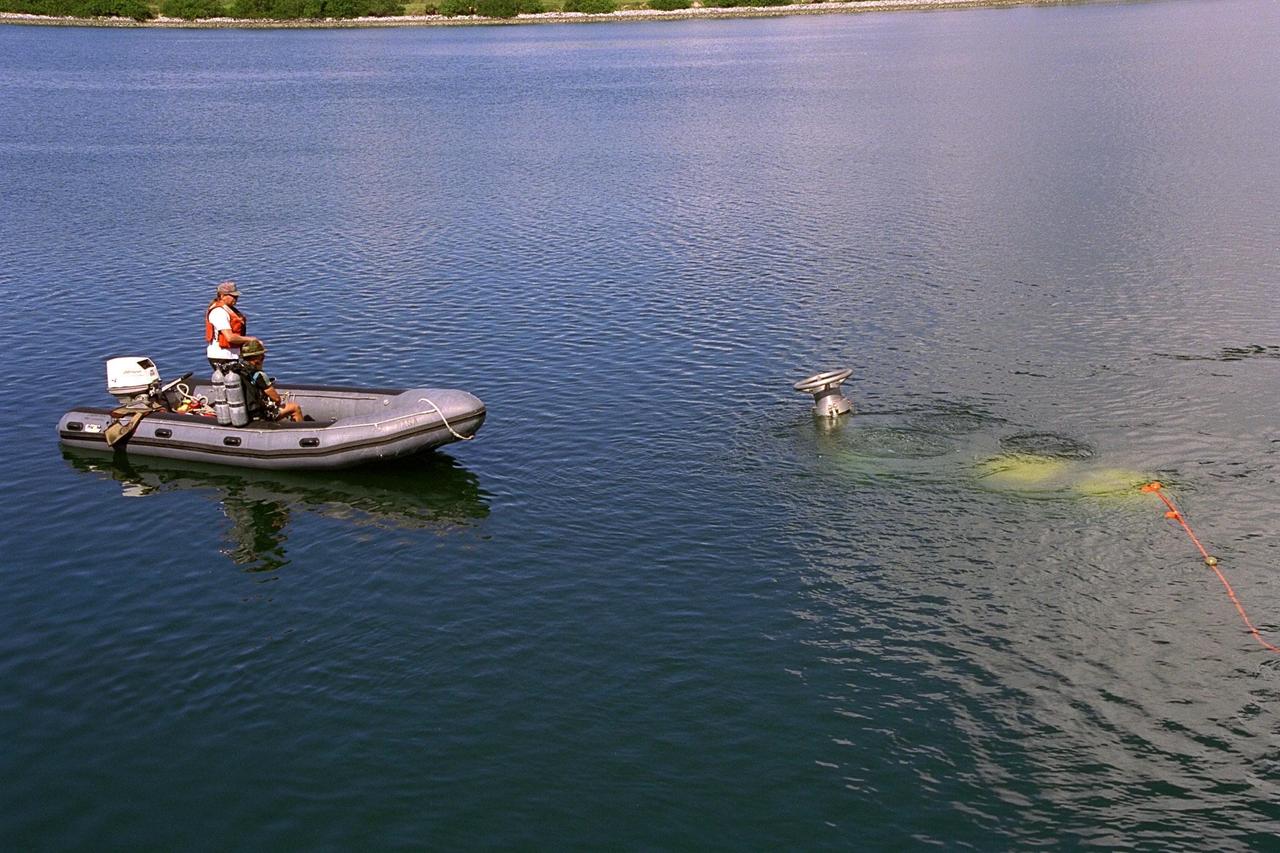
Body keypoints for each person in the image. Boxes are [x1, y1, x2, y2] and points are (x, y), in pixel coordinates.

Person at [238, 340, 304, 423]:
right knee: (295, 408)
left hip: (243, 413)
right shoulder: (258, 375)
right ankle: (301, 432)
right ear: (257, 358)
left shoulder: (238, 371)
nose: (264, 358)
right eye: (262, 356)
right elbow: (276, 399)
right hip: (258, 415)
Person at [205, 280, 259, 373]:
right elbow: (230, 338)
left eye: (236, 296)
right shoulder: (219, 312)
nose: (236, 298)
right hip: (221, 357)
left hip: (231, 356)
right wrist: (252, 340)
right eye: (233, 296)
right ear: (222, 296)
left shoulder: (228, 309)